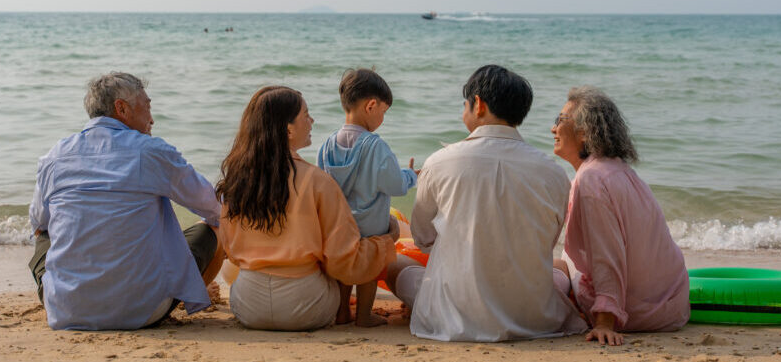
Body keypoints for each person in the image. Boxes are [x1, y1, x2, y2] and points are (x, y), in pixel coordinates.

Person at [385, 65, 588, 342]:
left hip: (454, 316)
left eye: (464, 104)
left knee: (393, 262)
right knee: (558, 268)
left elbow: (423, 239)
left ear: (478, 104)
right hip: (532, 316)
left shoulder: (439, 162)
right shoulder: (553, 172)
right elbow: (547, 239)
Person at [29, 72, 224, 330]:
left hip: (66, 310)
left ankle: (73, 292)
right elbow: (212, 207)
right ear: (121, 108)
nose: (152, 119)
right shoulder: (151, 151)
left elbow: (39, 223)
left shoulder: (54, 157)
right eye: (148, 106)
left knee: (43, 233)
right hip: (143, 311)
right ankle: (197, 293)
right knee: (214, 228)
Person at [215, 86, 399, 331]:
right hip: (305, 307)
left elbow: (229, 247)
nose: (312, 121)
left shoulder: (238, 180)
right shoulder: (318, 181)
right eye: (306, 115)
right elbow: (342, 260)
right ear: (288, 129)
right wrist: (386, 240)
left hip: (248, 306)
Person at [552, 86, 690, 346]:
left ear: (583, 133)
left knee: (553, 270)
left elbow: (607, 254)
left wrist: (606, 321)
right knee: (562, 263)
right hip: (673, 306)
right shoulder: (618, 170)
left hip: (633, 314)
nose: (553, 129)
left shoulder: (591, 178)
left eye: (559, 120)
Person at [318, 68, 417, 327]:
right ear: (371, 105)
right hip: (371, 230)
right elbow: (395, 185)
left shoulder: (327, 145)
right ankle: (363, 316)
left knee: (343, 273)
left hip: (339, 229)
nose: (382, 118)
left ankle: (341, 312)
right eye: (383, 112)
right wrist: (410, 175)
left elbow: (322, 186)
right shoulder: (376, 146)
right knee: (370, 271)